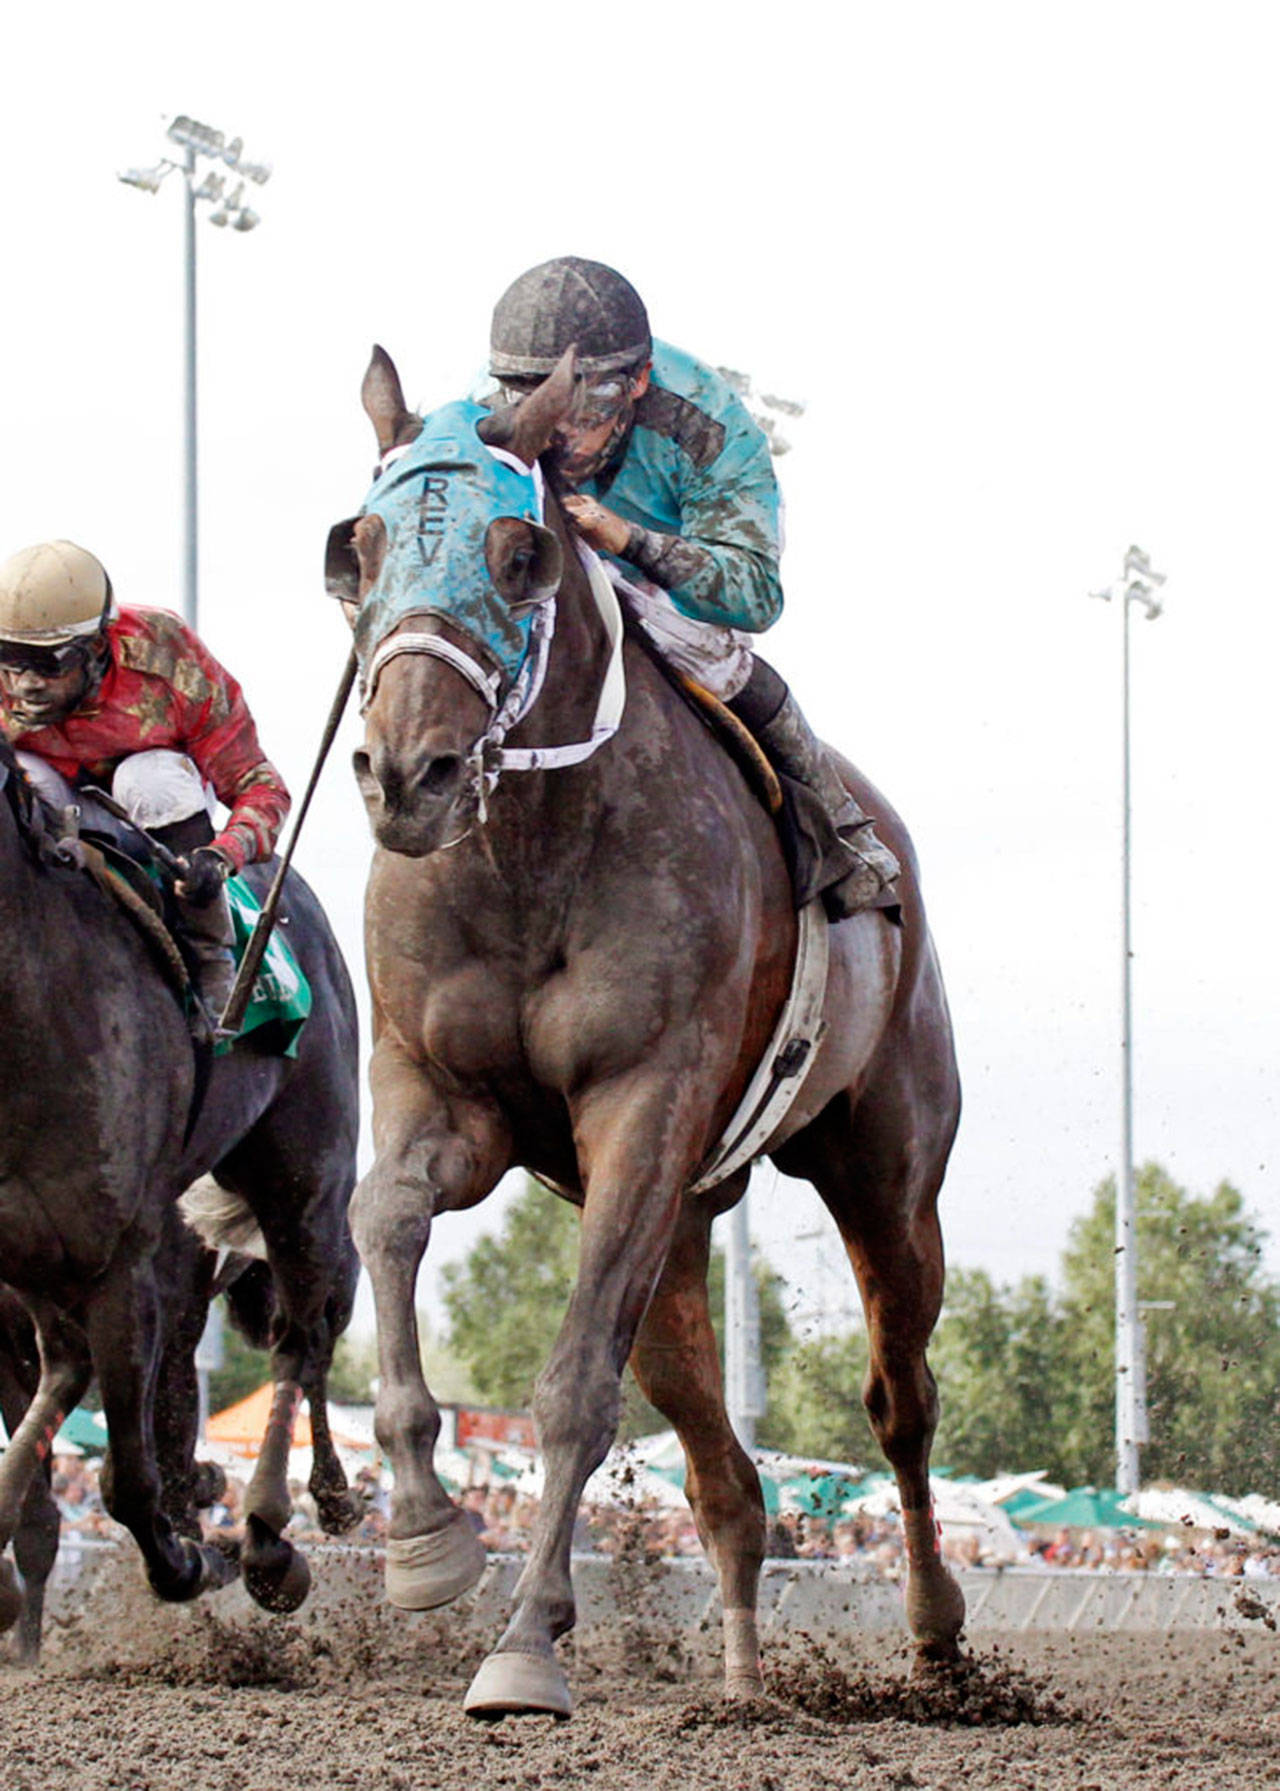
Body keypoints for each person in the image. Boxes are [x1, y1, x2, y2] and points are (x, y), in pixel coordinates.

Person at [488, 255, 899, 918]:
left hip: (669, 599)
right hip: (546, 578)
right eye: (538, 406)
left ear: (638, 382)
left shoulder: (711, 431)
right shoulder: (482, 416)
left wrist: (629, 541)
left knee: (705, 648)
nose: (558, 435)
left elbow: (754, 595)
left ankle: (842, 828)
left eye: (582, 409)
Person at [0, 539, 290, 1015]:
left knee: (150, 778)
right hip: (50, 813)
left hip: (148, 818)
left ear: (97, 647)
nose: (25, 683)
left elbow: (259, 785)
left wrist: (219, 858)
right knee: (29, 777)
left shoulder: (167, 654)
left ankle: (209, 952)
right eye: (10, 658)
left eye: (50, 663)